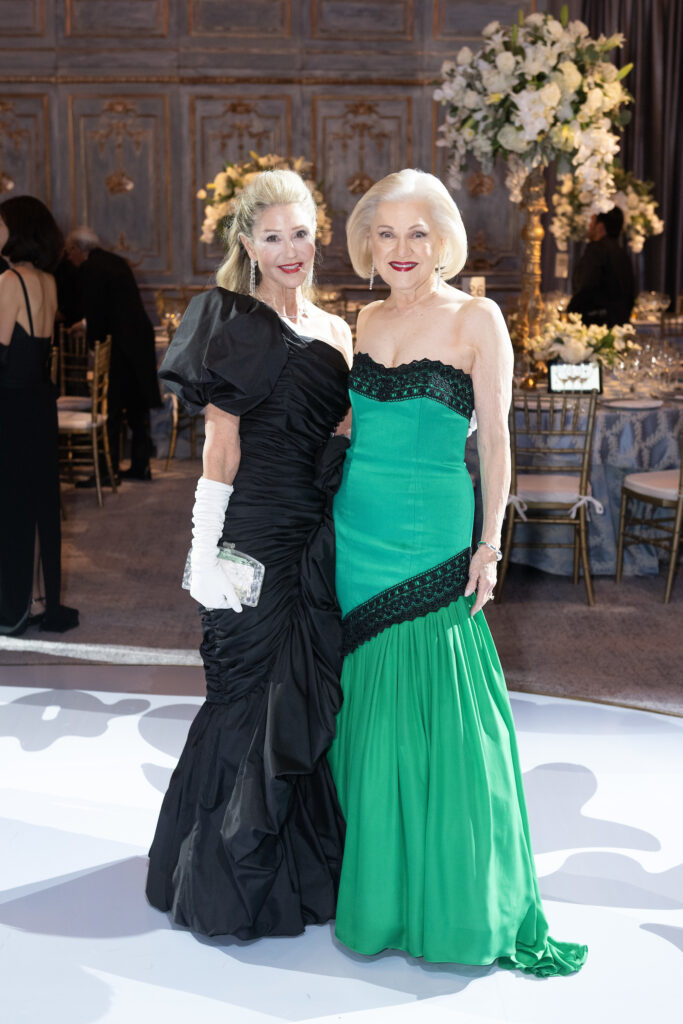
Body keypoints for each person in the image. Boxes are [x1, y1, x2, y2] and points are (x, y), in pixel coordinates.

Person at [327, 169, 587, 976]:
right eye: (385, 233)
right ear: (367, 244)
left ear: (443, 238)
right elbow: (352, 427)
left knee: (444, 709)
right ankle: (381, 897)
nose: (401, 249)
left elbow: (498, 441)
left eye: (417, 233)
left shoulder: (477, 317)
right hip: (355, 531)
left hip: (433, 531)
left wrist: (488, 544)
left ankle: (457, 903)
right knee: (368, 706)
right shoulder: (364, 318)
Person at [145, 168, 353, 938]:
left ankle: (296, 868)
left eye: (301, 233)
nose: (290, 249)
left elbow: (342, 433)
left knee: (302, 696)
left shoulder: (338, 331)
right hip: (252, 531)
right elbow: (220, 445)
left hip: (315, 535)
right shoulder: (232, 320)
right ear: (247, 244)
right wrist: (203, 552)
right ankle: (220, 879)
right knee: (243, 693)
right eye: (273, 237)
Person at [0, 196, 79, 635]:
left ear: (17, 230)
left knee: (11, 508)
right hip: (38, 405)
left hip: (10, 407)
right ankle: (35, 599)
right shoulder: (47, 281)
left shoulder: (10, 281)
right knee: (36, 506)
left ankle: (12, 609)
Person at [63, 227, 161, 482]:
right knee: (137, 406)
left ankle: (108, 470)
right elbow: (114, 305)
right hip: (137, 340)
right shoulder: (114, 261)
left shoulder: (90, 268)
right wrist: (88, 325)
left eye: (69, 251)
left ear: (78, 248)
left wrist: (91, 342)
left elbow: (97, 311)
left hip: (121, 346)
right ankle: (141, 466)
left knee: (112, 407)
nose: (69, 257)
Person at [567, 206, 635, 327]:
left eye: (592, 222)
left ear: (600, 227)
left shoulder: (596, 250)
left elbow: (586, 285)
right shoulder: (622, 253)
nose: (589, 226)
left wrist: (572, 310)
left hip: (597, 323)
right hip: (619, 322)